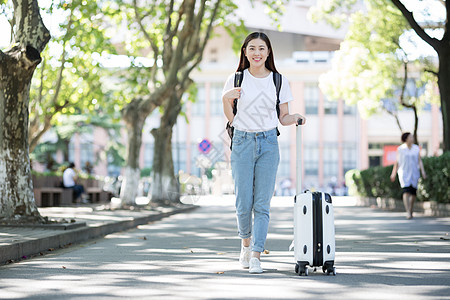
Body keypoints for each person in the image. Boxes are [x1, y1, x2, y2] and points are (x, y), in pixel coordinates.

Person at [222, 32, 306, 274]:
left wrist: (296, 118)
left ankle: (257, 255)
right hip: (242, 141)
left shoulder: (279, 81)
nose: (257, 53)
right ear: (245, 52)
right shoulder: (236, 79)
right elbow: (232, 118)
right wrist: (225, 99)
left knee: (262, 204)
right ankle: (245, 244)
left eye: (261, 48)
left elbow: (283, 117)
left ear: (268, 52)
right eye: (252, 48)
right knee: (242, 203)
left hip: (269, 142)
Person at [390, 132, 427, 219]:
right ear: (406, 139)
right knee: (406, 191)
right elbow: (397, 162)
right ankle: (408, 211)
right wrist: (393, 173)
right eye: (410, 137)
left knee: (413, 193)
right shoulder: (400, 149)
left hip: (414, 172)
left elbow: (419, 160)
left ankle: (410, 208)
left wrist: (423, 171)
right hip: (404, 172)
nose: (412, 138)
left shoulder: (416, 148)